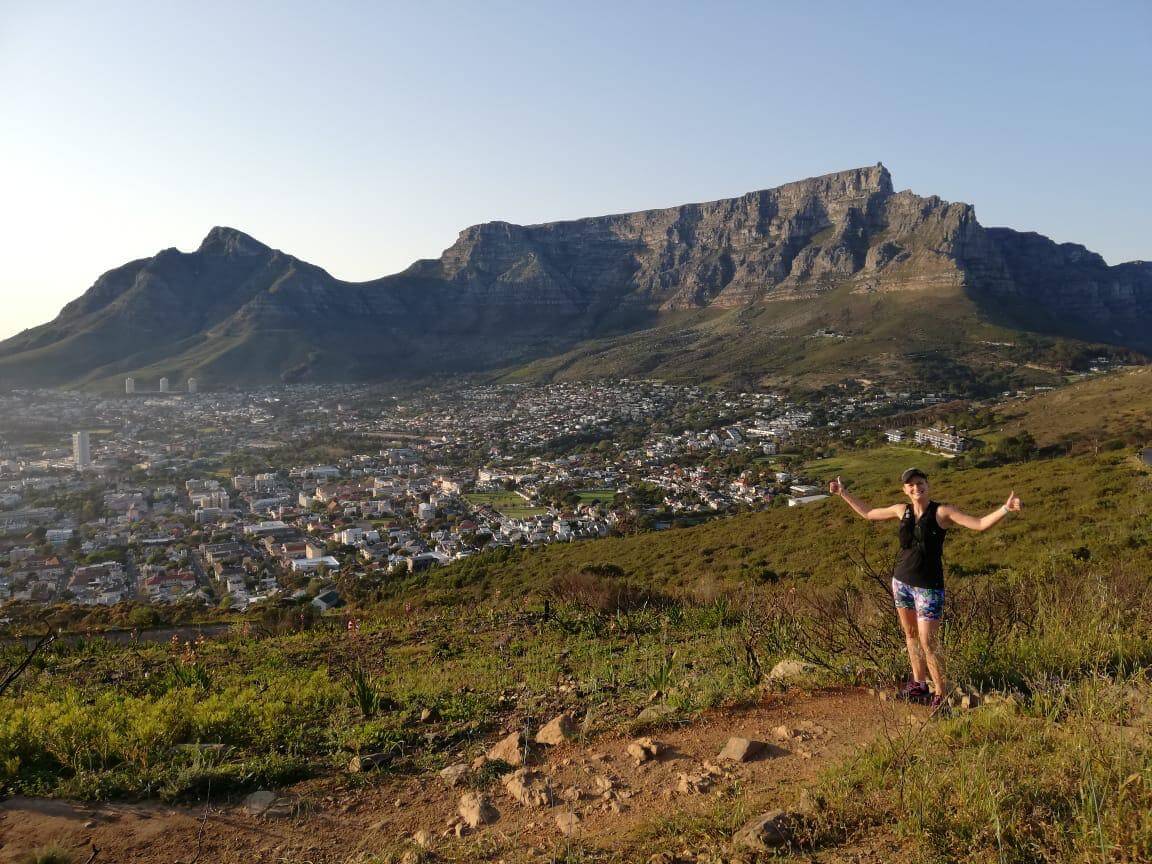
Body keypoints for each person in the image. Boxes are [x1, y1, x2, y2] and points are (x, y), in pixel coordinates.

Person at [828, 468, 1022, 713]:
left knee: (928, 643)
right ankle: (919, 685)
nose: (915, 488)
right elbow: (868, 513)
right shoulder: (902, 510)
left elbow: (980, 524)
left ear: (928, 485)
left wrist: (1005, 508)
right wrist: (843, 493)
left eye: (920, 483)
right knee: (910, 636)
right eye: (910, 485)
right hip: (901, 583)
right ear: (905, 490)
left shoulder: (942, 512)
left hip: (929, 588)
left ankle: (941, 693)